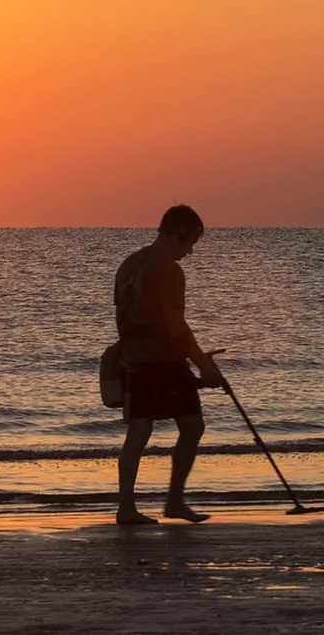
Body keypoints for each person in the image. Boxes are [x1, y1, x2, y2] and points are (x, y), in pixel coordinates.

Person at [113, 204, 228, 525]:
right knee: (192, 426)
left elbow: (121, 316)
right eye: (190, 242)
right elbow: (176, 324)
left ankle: (126, 507)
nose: (190, 251)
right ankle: (174, 501)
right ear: (179, 234)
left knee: (137, 432)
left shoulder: (130, 264)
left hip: (134, 358)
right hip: (164, 359)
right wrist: (203, 364)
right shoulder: (168, 269)